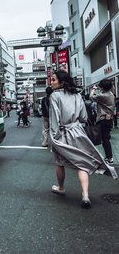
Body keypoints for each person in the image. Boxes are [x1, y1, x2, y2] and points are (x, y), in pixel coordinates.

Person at [49, 70, 117, 209]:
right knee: (82, 162)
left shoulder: (54, 96)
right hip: (77, 133)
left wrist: (54, 137)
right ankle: (85, 195)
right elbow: (84, 118)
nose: (51, 82)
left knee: (60, 162)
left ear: (61, 82)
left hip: (62, 133)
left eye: (54, 80)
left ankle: (61, 187)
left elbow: (54, 119)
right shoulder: (76, 95)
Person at [90, 79, 115, 164]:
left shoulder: (103, 96)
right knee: (105, 139)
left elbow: (91, 96)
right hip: (108, 120)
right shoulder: (111, 94)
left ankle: (109, 158)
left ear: (103, 87)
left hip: (103, 120)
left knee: (101, 139)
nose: (99, 88)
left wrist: (93, 89)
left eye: (100, 87)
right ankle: (108, 157)